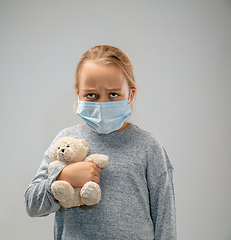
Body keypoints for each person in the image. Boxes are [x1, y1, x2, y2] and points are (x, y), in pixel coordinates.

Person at [24, 45, 177, 239]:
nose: (102, 104)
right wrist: (62, 177)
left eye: (113, 94)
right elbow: (32, 203)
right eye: (91, 95)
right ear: (78, 94)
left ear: (130, 94)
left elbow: (165, 222)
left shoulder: (149, 148)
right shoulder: (65, 143)